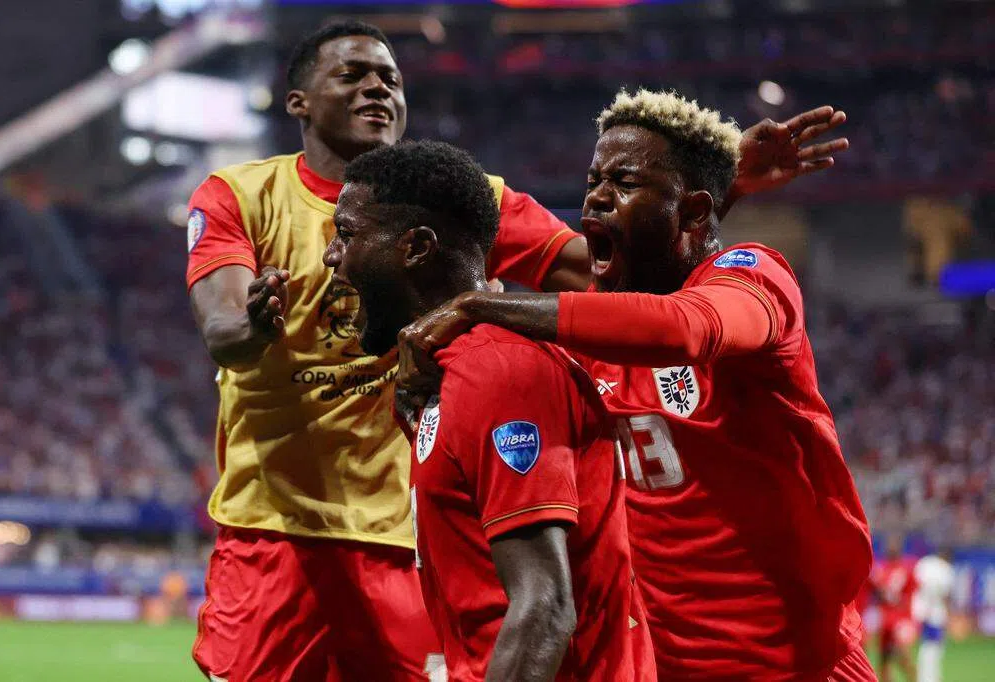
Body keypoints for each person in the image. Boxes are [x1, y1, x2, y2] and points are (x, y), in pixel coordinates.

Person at [186, 17, 848, 680]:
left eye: (390, 77)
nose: (376, 89)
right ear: (297, 100)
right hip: (277, 528)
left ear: (422, 246)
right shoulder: (243, 195)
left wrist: (474, 305)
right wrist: (254, 328)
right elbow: (223, 331)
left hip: (793, 657)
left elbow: (663, 305)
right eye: (353, 75)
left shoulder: (475, 220)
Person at [398, 89, 875, 681]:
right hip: (663, 668)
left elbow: (686, 327)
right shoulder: (596, 307)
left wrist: (480, 307)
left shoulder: (753, 279)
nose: (596, 197)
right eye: (593, 180)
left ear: (694, 212)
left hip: (797, 664)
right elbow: (469, 212)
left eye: (623, 182)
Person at [324, 138, 655, 682]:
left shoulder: (498, 373)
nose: (331, 256)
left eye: (347, 234)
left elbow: (544, 609)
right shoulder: (447, 372)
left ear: (416, 247)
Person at [871, 536, 918, 682]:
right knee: (884, 659)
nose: (891, 549)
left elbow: (912, 592)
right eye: (889, 546)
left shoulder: (907, 569)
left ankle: (914, 678)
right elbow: (876, 592)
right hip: (886, 619)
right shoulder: (881, 569)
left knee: (901, 653)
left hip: (901, 619)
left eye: (894, 546)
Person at [912, 548, 955, 682]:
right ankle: (929, 677)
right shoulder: (946, 569)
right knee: (934, 645)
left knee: (926, 644)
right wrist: (949, 615)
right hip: (935, 611)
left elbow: (915, 583)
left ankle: (926, 675)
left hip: (918, 608)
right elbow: (946, 595)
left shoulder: (925, 562)